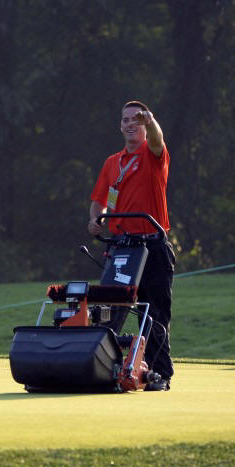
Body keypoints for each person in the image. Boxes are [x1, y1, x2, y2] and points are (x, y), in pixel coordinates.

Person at [88, 100, 174, 391]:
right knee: (110, 309)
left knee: (154, 312)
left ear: (145, 125)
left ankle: (159, 374)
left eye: (136, 120)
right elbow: (99, 200)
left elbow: (158, 140)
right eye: (125, 120)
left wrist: (151, 120)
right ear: (120, 126)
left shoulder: (153, 154)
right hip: (121, 248)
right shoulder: (112, 162)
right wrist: (95, 219)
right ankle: (103, 369)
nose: (130, 124)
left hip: (152, 245)